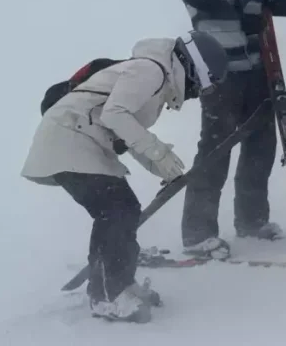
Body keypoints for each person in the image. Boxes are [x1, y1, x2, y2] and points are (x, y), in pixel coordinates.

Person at [21, 33, 228, 323]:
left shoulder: (154, 77)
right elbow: (115, 115)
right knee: (117, 211)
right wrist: (158, 153)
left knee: (120, 211)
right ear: (194, 69)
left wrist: (162, 167)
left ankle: (118, 286)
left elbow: (124, 133)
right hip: (70, 139)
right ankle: (108, 294)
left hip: (78, 141)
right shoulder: (151, 70)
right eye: (201, 87)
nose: (195, 94)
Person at [172, 0, 286, 258]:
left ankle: (252, 219)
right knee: (215, 150)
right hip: (219, 76)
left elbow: (282, 5)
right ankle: (198, 232)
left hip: (254, 69)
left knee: (260, 146)